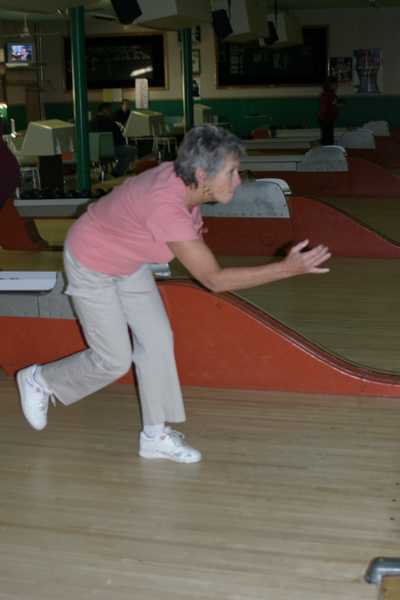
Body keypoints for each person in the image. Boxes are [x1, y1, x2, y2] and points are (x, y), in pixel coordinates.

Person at [16, 125, 331, 464]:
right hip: (91, 261)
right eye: (231, 172)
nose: (238, 180)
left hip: (129, 260)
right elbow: (214, 280)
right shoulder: (165, 206)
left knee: (157, 341)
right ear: (202, 175)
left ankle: (154, 436)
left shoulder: (185, 180)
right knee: (114, 360)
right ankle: (39, 380)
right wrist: (286, 269)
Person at [90, 102, 136, 177]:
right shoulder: (109, 122)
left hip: (93, 151)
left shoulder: (91, 122)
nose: (111, 112)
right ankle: (117, 173)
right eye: (110, 110)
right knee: (131, 150)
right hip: (108, 150)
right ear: (104, 110)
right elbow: (119, 139)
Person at [318, 77, 340, 146]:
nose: (337, 86)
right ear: (330, 85)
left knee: (327, 138)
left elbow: (333, 105)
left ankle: (327, 148)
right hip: (326, 119)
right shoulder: (327, 95)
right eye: (335, 84)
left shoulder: (330, 94)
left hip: (327, 119)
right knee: (327, 139)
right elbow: (325, 108)